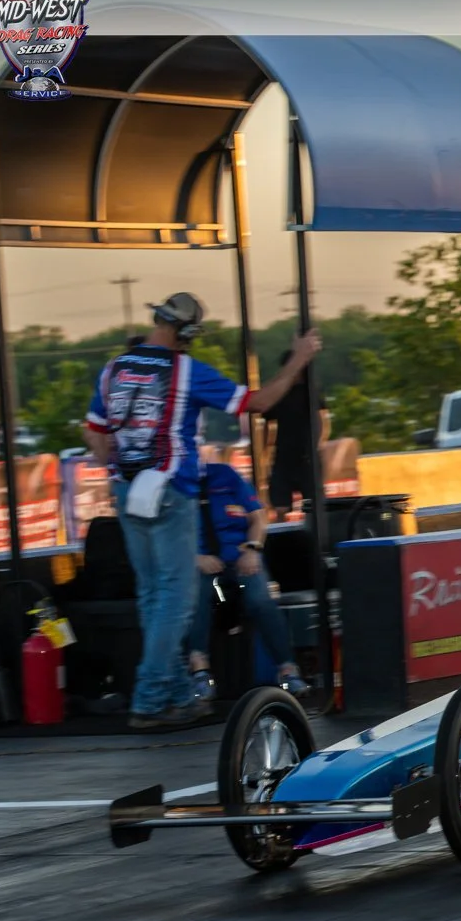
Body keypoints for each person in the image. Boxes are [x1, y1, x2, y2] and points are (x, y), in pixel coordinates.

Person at [84, 292, 322, 730]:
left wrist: (117, 467)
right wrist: (299, 360)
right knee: (177, 600)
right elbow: (258, 403)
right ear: (186, 332)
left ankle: (176, 693)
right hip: (170, 488)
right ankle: (149, 698)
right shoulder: (184, 370)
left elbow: (95, 432)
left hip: (127, 490)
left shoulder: (114, 369)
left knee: (153, 596)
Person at [186, 454, 309, 703]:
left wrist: (252, 549)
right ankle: (199, 671)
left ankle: (288, 671)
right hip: (197, 561)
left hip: (240, 556)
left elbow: (258, 517)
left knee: (260, 599)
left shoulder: (226, 475)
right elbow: (166, 539)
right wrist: (195, 558)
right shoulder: (173, 486)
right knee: (196, 595)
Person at [262, 349, 330, 523]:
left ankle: (315, 534)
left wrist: (319, 445)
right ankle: (282, 534)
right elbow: (268, 426)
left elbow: (323, 420)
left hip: (307, 456)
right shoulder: (278, 394)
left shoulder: (311, 392)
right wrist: (264, 453)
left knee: (313, 505)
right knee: (280, 506)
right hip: (284, 455)